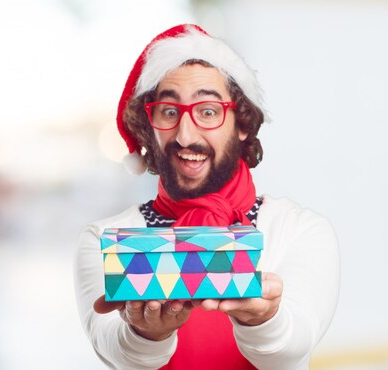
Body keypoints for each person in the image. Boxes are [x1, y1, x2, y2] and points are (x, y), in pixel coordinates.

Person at [73, 24, 339, 370]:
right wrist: (145, 334)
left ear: (242, 123)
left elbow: (293, 345)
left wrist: (263, 318)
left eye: (208, 111)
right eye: (169, 112)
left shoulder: (299, 229)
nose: (185, 135)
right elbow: (115, 350)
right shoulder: (103, 239)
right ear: (149, 125)